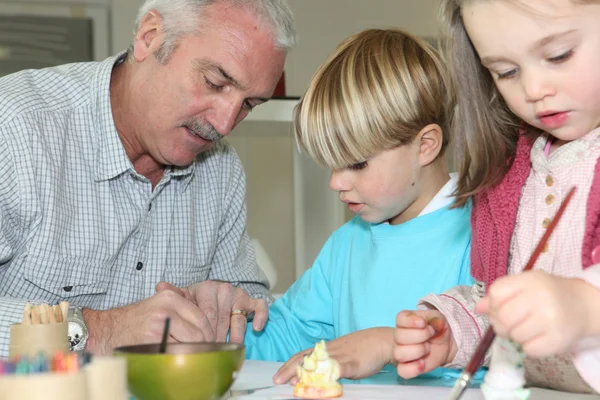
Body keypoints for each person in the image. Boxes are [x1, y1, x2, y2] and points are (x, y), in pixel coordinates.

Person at [0, 0, 296, 358]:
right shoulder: (14, 130)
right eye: (215, 83)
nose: (223, 124)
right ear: (150, 36)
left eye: (249, 104)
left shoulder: (220, 168)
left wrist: (228, 303)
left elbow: (249, 303)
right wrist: (98, 331)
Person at [243, 28, 480, 386]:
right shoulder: (346, 244)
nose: (336, 182)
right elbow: (288, 336)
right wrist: (214, 330)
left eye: (356, 164)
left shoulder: (481, 234)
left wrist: (390, 343)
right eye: (331, 164)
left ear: (426, 145)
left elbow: (504, 361)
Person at [393, 0, 600, 393]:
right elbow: (497, 305)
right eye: (506, 72)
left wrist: (585, 307)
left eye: (559, 55)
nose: (534, 90)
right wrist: (454, 333)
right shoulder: (510, 174)